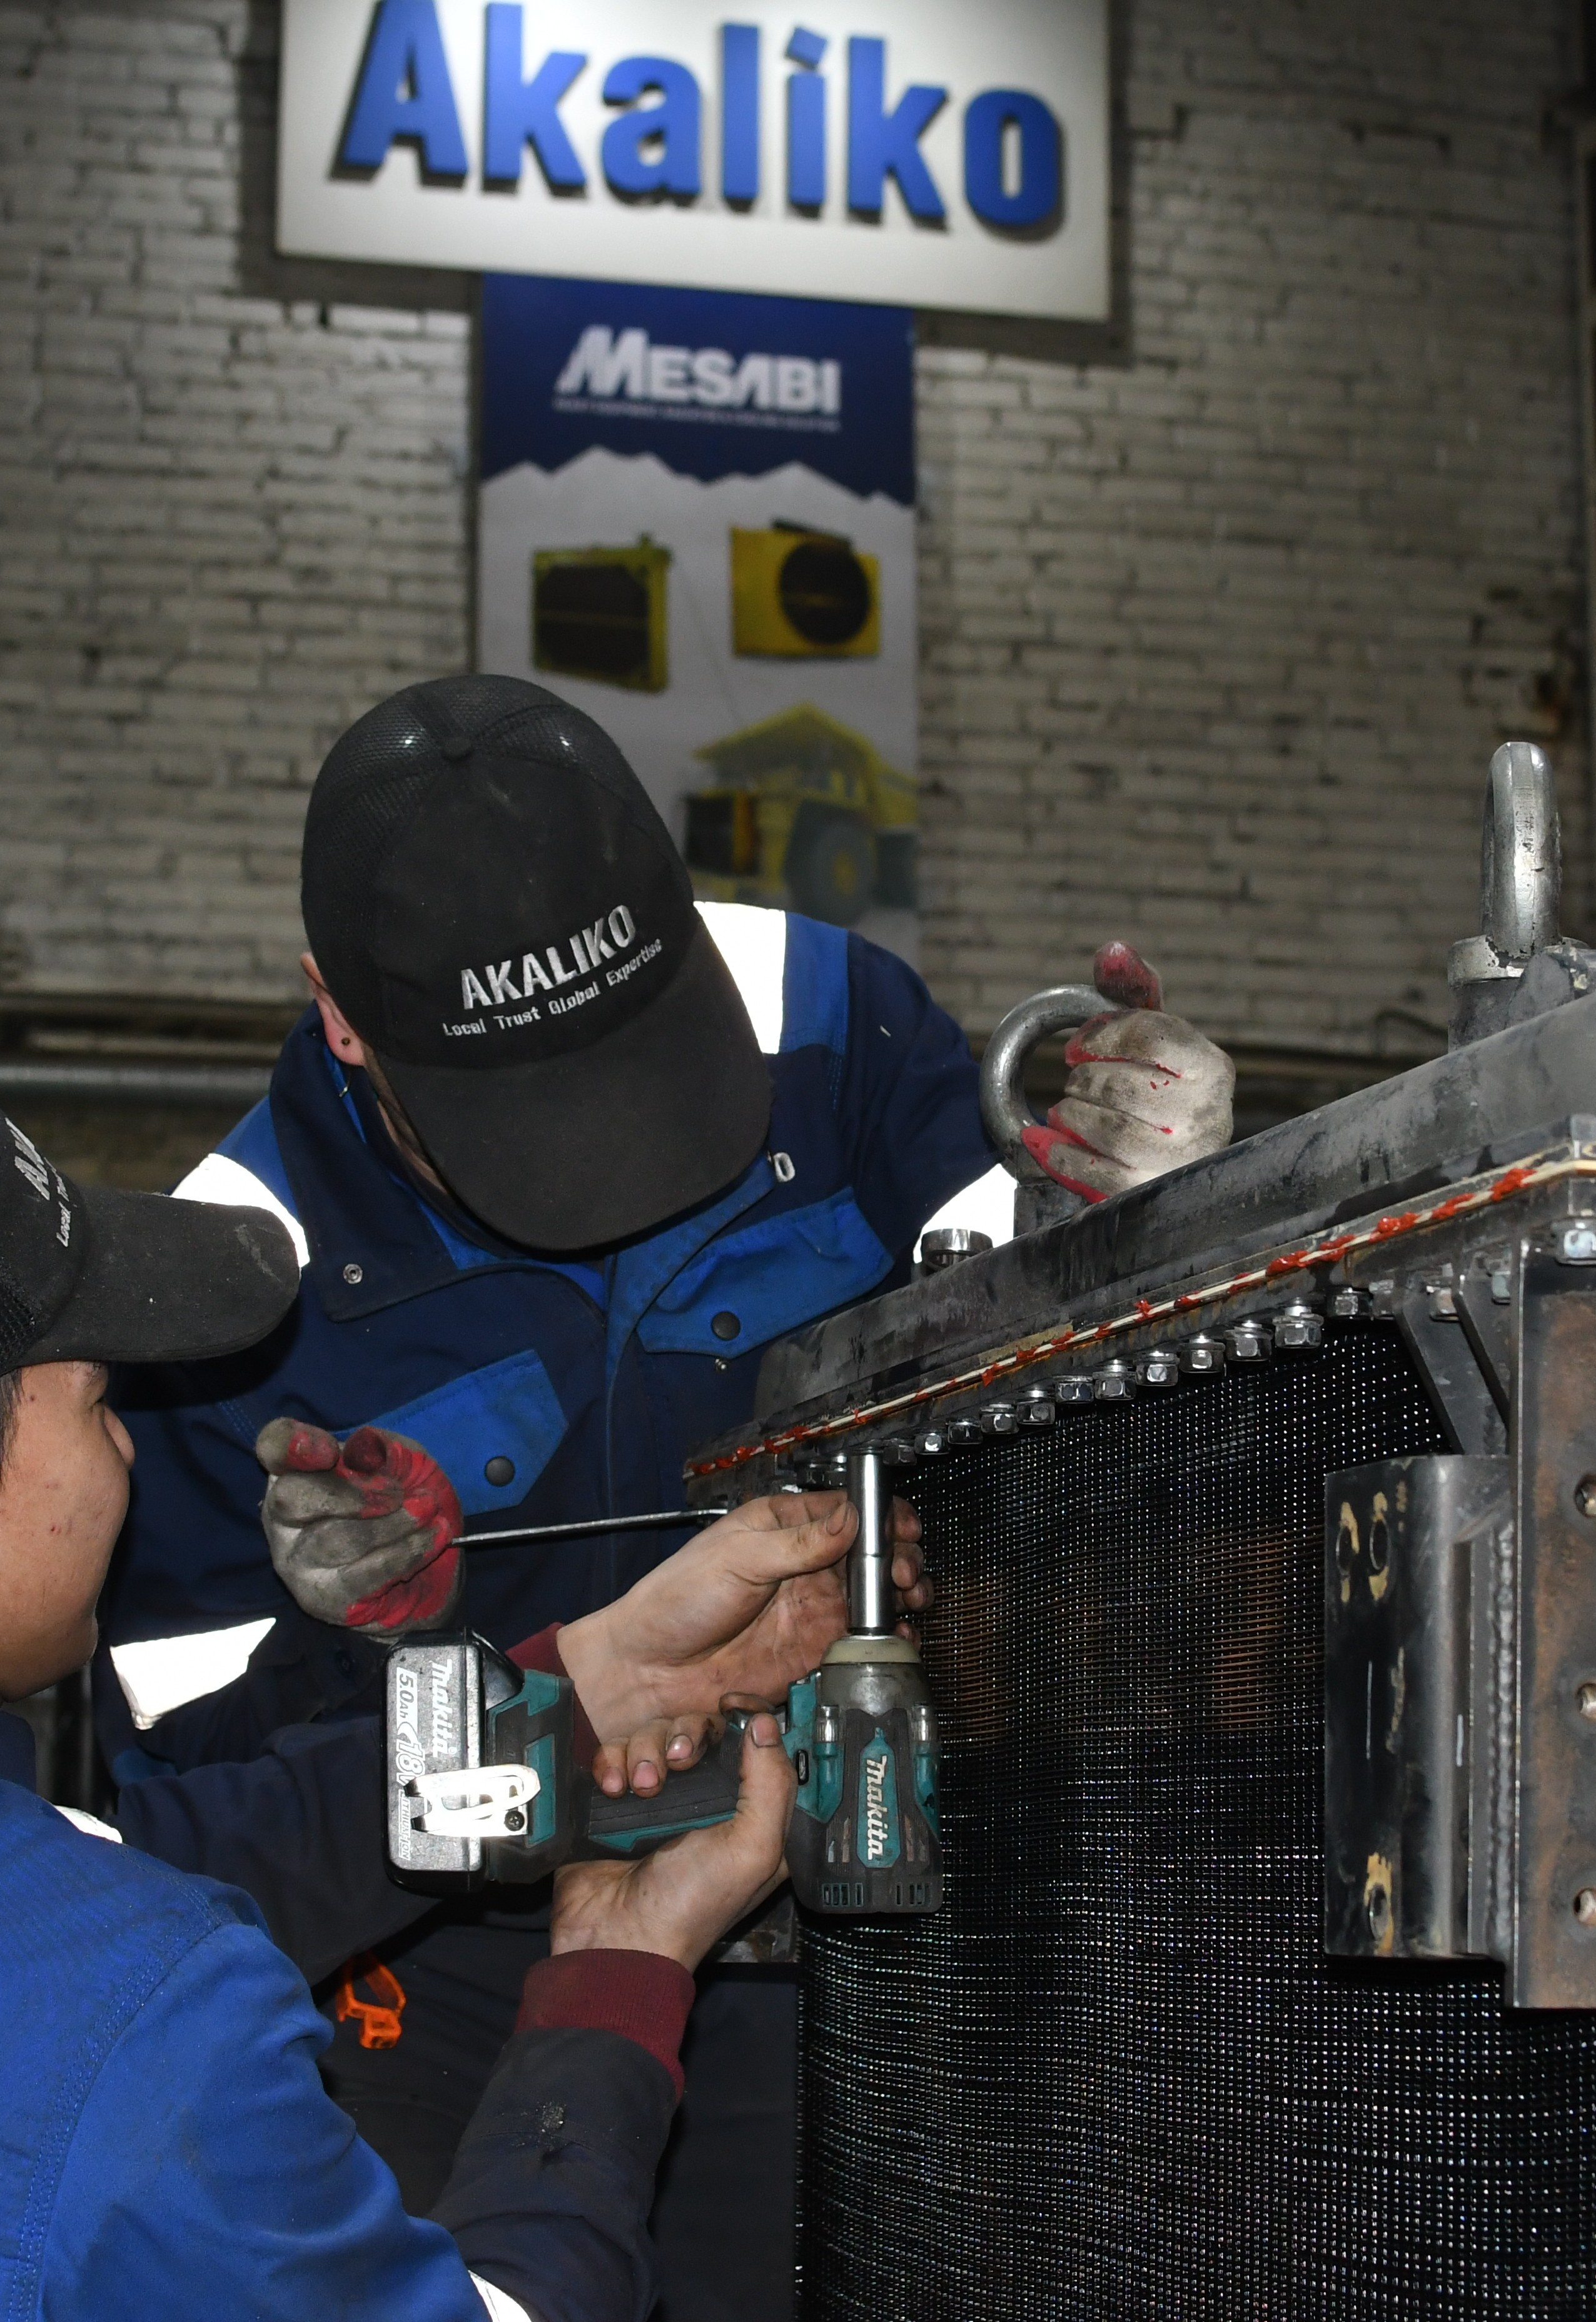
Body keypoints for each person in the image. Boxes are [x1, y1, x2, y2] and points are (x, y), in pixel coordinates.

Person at [104, 672, 1238, 2316]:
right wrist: (376, 1651)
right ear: (344, 1018)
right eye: (536, 1123)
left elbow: (1047, 1355)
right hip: (475, 1997)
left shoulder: (833, 1021)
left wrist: (1142, 1223)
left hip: (895, 1920)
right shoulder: (240, 1278)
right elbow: (188, 1812)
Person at [0, 1063, 916, 2321]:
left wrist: (603, 1677)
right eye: (96, 1403)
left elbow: (134, 1873)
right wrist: (620, 1964)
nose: (132, 1460)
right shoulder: (151, 2028)